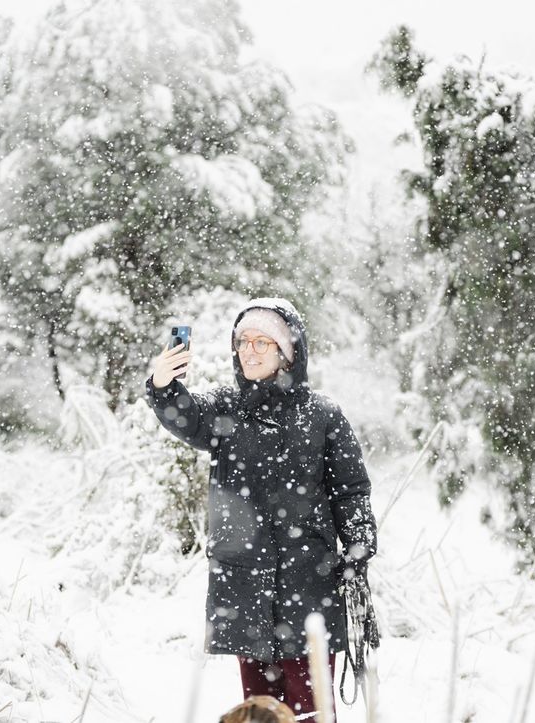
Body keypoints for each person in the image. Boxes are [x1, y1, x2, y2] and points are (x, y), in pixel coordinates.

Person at [146, 298, 377, 719]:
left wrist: (358, 546)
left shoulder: (323, 416)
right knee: (259, 714)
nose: (247, 351)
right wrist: (164, 386)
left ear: (287, 352)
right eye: (242, 342)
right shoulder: (226, 408)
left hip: (309, 587)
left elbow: (351, 491)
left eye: (261, 342)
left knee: (310, 712)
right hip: (244, 588)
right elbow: (186, 417)